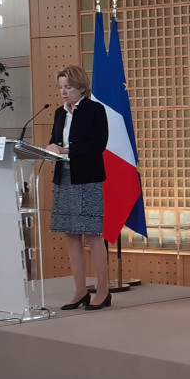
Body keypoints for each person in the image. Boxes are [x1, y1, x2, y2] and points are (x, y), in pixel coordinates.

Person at [46, 65, 112, 311]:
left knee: (93, 235)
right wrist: (52, 147)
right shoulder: (58, 113)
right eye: (61, 87)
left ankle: (103, 291)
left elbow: (98, 145)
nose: (64, 92)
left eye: (69, 87)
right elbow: (56, 140)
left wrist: (66, 150)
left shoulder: (95, 110)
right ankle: (80, 290)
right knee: (71, 235)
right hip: (63, 177)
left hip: (87, 178)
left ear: (81, 87)